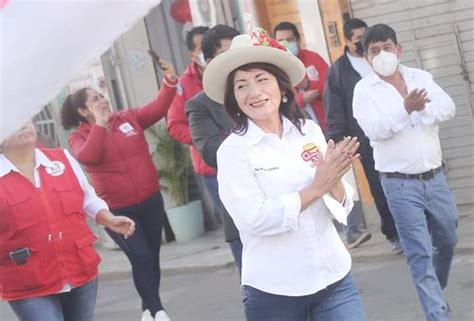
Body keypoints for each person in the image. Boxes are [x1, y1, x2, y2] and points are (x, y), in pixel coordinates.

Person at [203, 31, 367, 320]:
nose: (254, 92)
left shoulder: (309, 132)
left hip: (334, 278)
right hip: (275, 292)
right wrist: (316, 188)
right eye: (241, 85)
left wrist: (336, 182)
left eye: (262, 80)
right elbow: (253, 219)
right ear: (233, 98)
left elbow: (342, 205)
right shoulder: (233, 151)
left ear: (282, 87)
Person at [353, 24, 457, 321]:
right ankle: (438, 315)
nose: (383, 54)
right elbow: (375, 130)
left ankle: (435, 293)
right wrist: (405, 108)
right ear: (367, 58)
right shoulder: (364, 91)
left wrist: (421, 109)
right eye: (375, 51)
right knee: (419, 253)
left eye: (387, 47)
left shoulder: (419, 77)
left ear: (398, 49)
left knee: (448, 238)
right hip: (399, 185)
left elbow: (447, 107)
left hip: (435, 178)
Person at [60, 58, 177, 321]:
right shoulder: (79, 136)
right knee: (141, 256)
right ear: (82, 111)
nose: (102, 101)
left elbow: (158, 107)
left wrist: (169, 82)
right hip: (117, 210)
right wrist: (100, 125)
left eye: (101, 96)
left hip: (150, 201)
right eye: (94, 100)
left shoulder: (129, 118)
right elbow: (88, 156)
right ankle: (157, 309)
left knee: (152, 257)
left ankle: (149, 308)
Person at [0, 121, 135, 321]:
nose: (24, 125)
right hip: (27, 283)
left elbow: (88, 198)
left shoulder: (61, 158)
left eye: (28, 119)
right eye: (16, 121)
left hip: (80, 268)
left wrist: (109, 219)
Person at [324, 18, 401, 252]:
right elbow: (335, 109)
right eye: (358, 39)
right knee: (379, 187)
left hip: (395, 130)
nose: (362, 43)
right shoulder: (338, 71)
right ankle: (394, 234)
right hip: (365, 139)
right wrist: (338, 139)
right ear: (347, 41)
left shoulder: (379, 61)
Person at [185, 24, 243, 273]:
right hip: (243, 213)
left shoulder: (266, 89)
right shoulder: (200, 105)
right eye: (225, 54)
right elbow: (212, 151)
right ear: (209, 61)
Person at [166, 26, 222, 230]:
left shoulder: (230, 72)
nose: (209, 50)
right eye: (202, 46)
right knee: (235, 229)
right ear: (192, 54)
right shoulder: (183, 85)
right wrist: (204, 137)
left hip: (248, 159)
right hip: (212, 167)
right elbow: (174, 125)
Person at [274, 21, 329, 132]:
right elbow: (276, 99)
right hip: (296, 128)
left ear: (298, 40)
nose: (285, 44)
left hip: (326, 122)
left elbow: (329, 84)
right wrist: (301, 99)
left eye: (289, 40)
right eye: (281, 41)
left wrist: (308, 84)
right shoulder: (275, 66)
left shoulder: (313, 57)